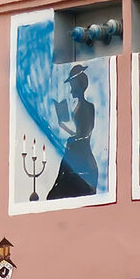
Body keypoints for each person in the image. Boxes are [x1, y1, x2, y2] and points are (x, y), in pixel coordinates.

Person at [47, 63, 98, 198]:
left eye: (72, 86)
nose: (70, 91)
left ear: (78, 85)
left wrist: (72, 136)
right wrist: (62, 125)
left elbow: (84, 134)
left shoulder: (87, 107)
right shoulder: (81, 106)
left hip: (81, 156)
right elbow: (80, 133)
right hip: (77, 153)